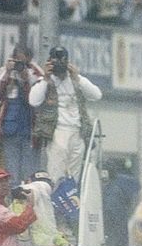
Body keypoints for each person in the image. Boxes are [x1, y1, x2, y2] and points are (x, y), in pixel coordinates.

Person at [28, 46, 103, 184]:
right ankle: (56, 200)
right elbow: (33, 101)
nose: (59, 66)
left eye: (62, 61)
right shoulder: (45, 81)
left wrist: (77, 78)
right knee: (56, 173)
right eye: (55, 62)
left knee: (74, 175)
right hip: (57, 132)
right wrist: (46, 78)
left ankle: (72, 200)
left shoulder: (76, 80)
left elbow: (97, 95)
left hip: (77, 131)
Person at [0, 44, 43, 182]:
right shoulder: (4, 72)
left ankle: (27, 200)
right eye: (17, 61)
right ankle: (13, 199)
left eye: (23, 62)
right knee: (11, 172)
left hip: (30, 132)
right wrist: (7, 74)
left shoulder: (35, 73)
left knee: (29, 173)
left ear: (29, 60)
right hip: (10, 130)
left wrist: (25, 79)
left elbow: (37, 99)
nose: (19, 65)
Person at [15, 171, 70, 246]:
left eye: (45, 184)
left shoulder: (49, 204)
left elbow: (49, 230)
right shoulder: (19, 203)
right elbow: (25, 232)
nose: (42, 189)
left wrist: (61, 243)